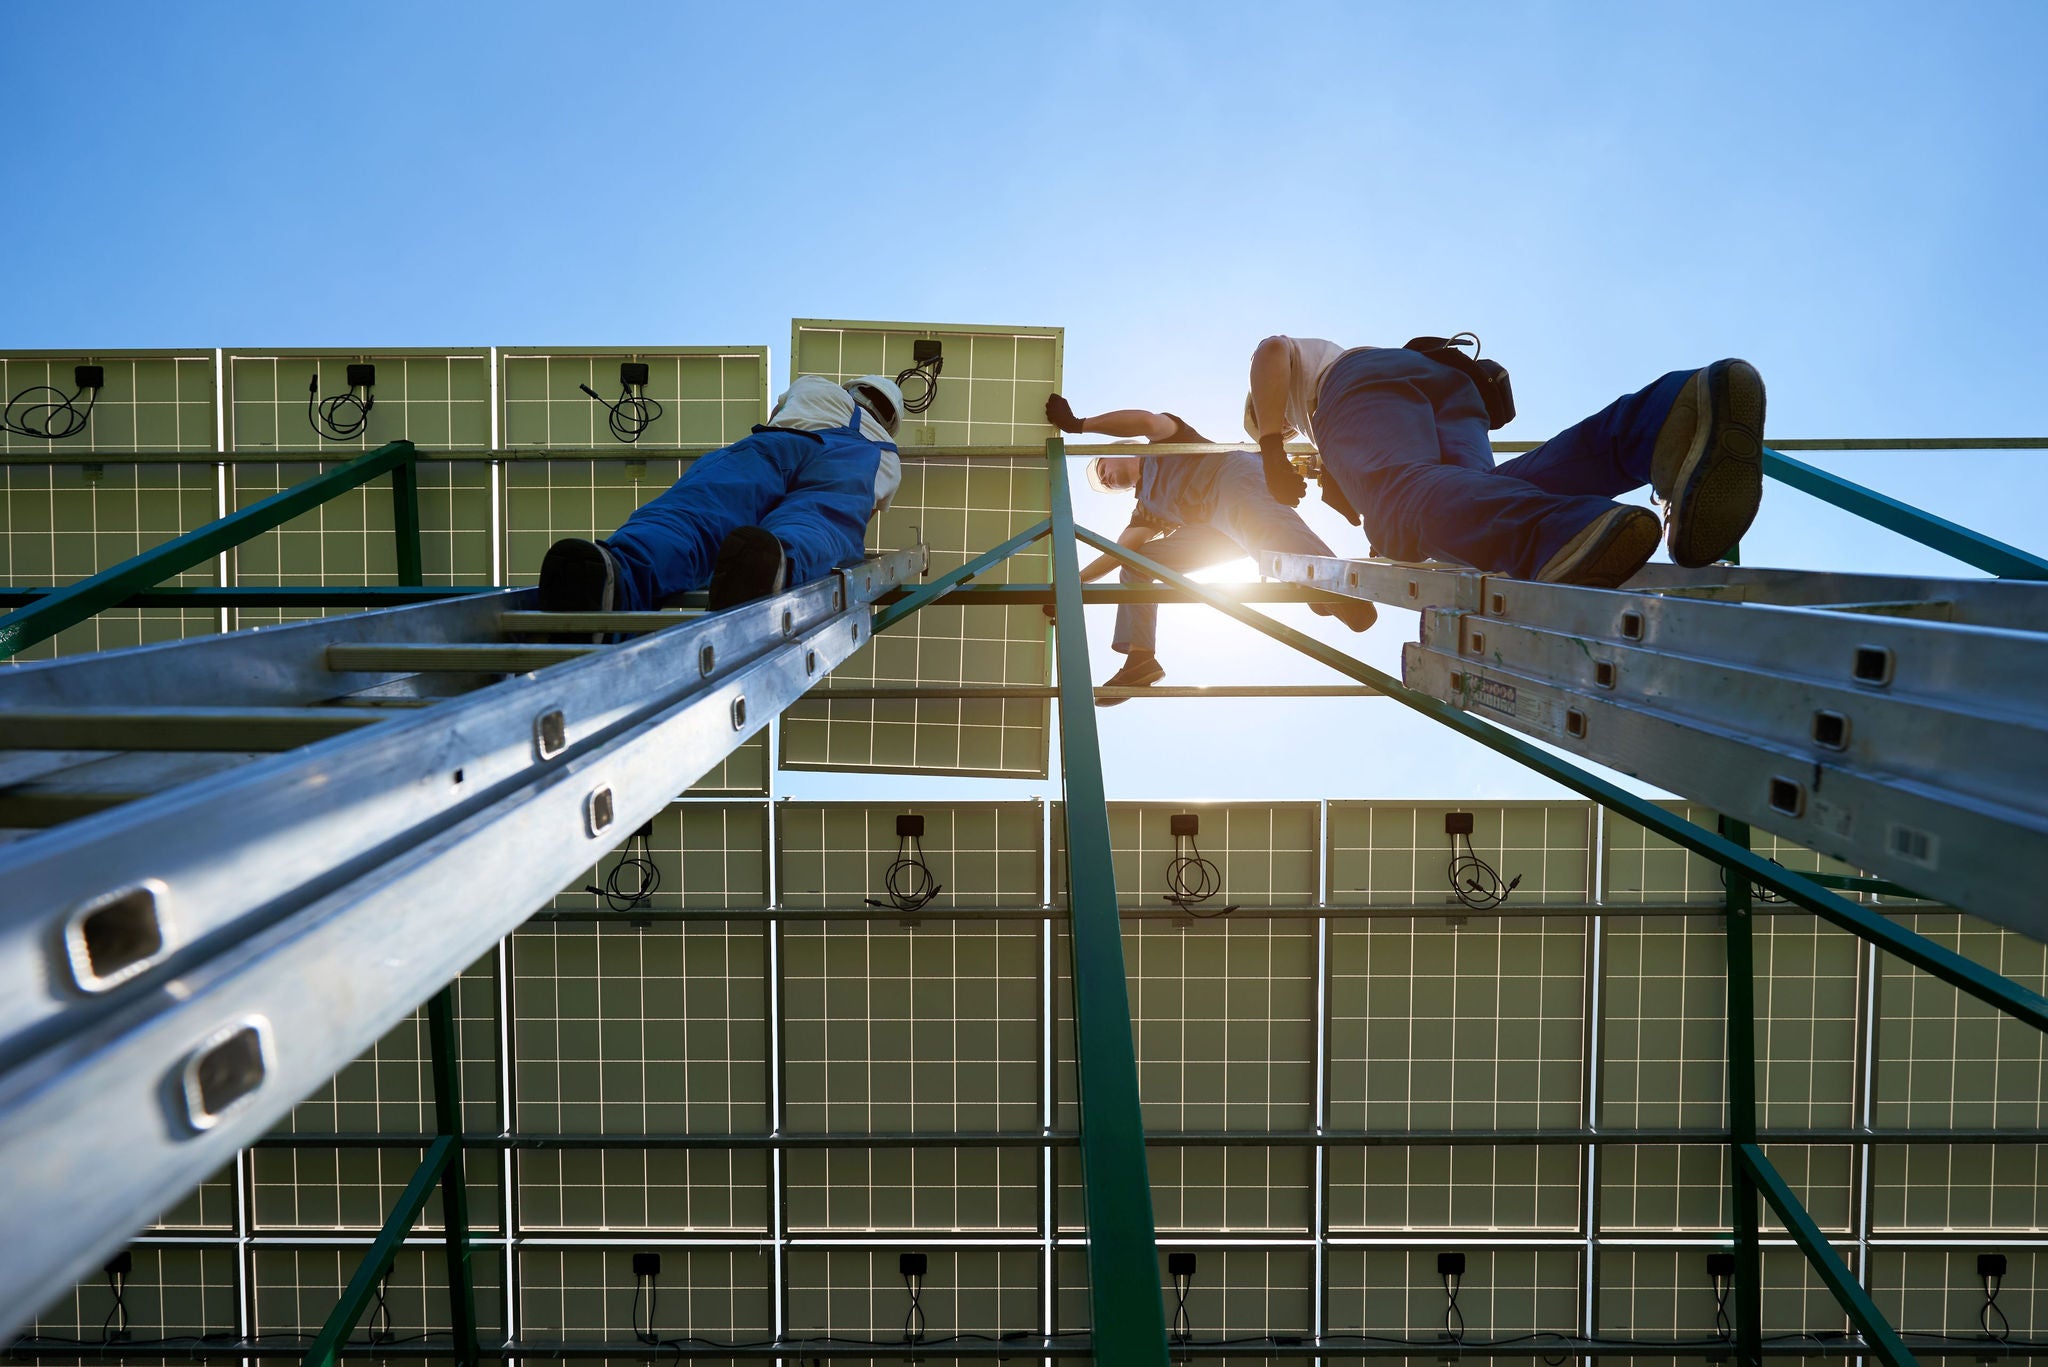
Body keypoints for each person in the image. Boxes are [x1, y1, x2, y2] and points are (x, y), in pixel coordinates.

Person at [1243, 336, 1766, 586]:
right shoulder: (1330, 383)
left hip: (1358, 387)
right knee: (1479, 493)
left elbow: (1270, 350)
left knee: (1403, 507)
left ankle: (1557, 535)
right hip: (1442, 386)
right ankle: (1664, 421)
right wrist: (1343, 480)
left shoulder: (1295, 389)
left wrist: (1267, 445)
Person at [1045, 393, 1376, 704]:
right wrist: (1073, 584)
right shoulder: (1145, 510)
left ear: (1123, 452)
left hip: (1230, 478)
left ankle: (1336, 589)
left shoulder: (1165, 441)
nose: (1106, 480)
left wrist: (1079, 425)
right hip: (1213, 532)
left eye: (1104, 470)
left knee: (1267, 526)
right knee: (1135, 562)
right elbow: (1119, 552)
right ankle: (1140, 659)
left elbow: (1145, 421)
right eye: (1103, 483)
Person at [538, 374, 904, 612]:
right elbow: (863, 512)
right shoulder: (889, 454)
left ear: (853, 389)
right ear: (891, 421)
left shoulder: (815, 386)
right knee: (816, 523)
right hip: (850, 468)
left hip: (778, 444)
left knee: (700, 510)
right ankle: (773, 569)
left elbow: (778, 413)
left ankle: (617, 574)